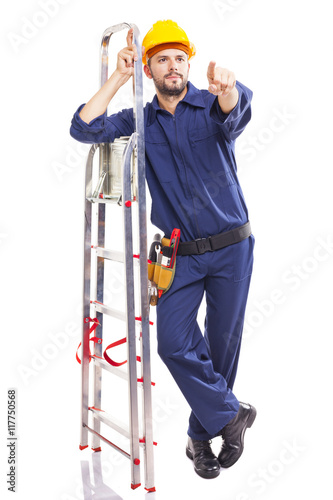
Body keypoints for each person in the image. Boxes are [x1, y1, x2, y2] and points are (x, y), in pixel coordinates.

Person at [70, 19, 257, 480]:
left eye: (179, 59)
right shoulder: (139, 118)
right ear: (149, 69)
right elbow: (82, 128)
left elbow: (236, 111)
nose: (172, 67)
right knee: (173, 343)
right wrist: (118, 76)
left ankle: (200, 437)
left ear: (188, 64)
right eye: (161, 60)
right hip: (178, 254)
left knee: (220, 347)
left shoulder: (211, 102)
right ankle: (231, 416)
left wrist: (229, 88)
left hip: (233, 246)